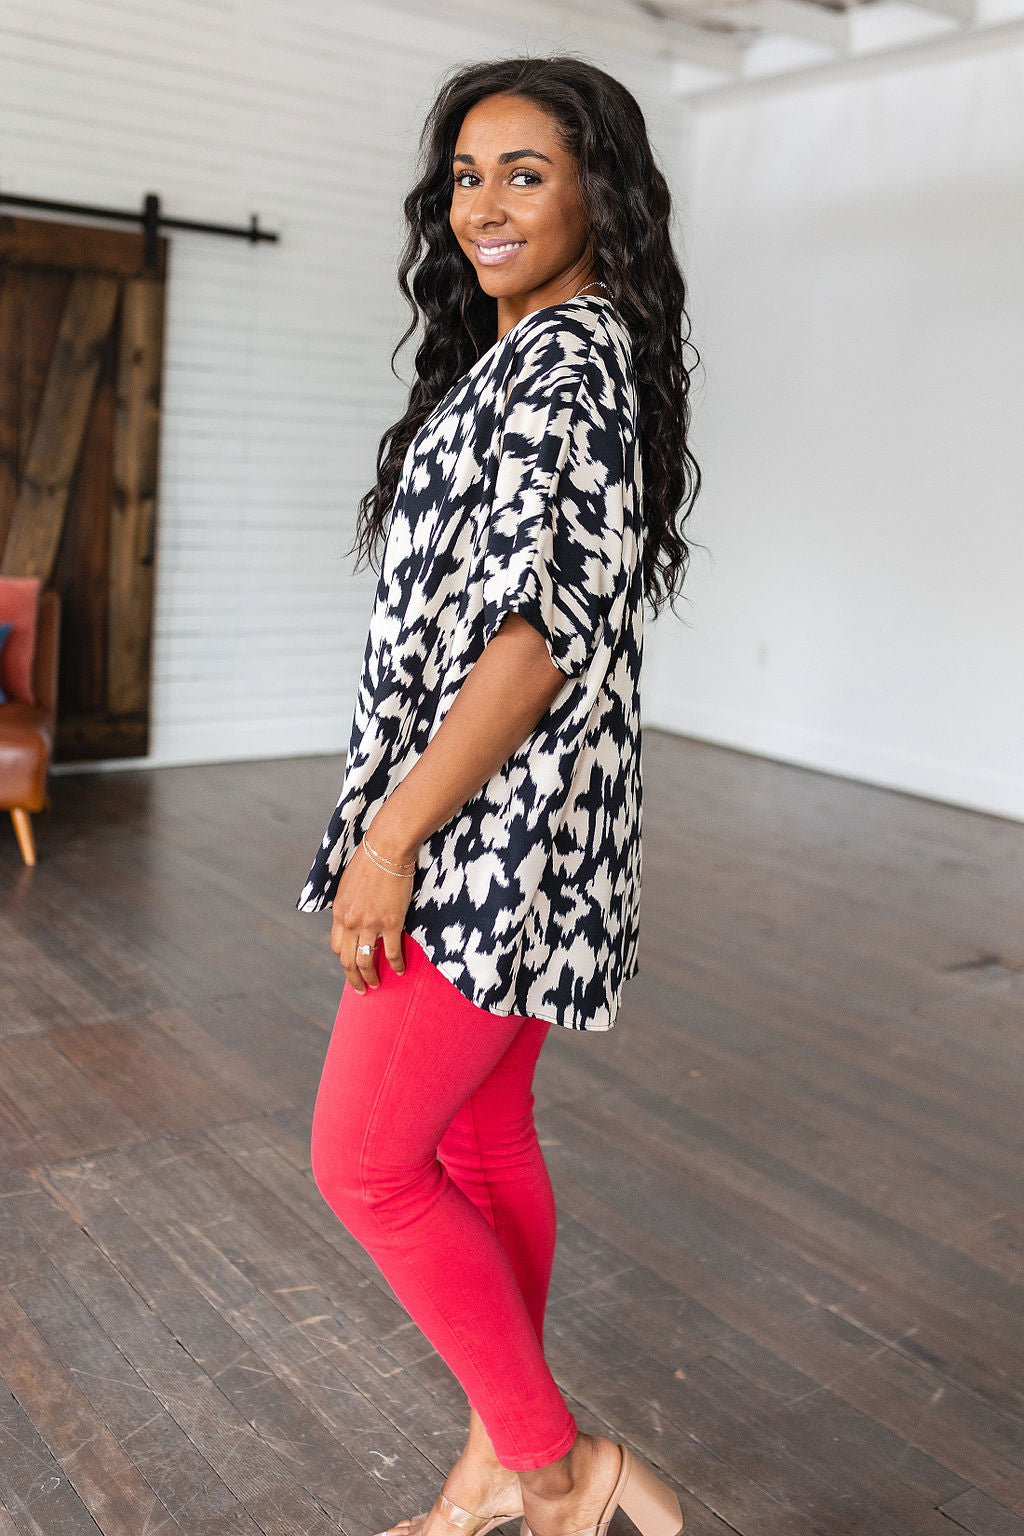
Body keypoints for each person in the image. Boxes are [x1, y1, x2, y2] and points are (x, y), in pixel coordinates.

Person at [296, 53, 701, 1536]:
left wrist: (394, 838)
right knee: (475, 1139)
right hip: (534, 825)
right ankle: (494, 1469)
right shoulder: (530, 357)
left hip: (493, 830)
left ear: (601, 190)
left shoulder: (566, 362)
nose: (484, 204)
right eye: (467, 175)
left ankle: (556, 1466)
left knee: (364, 1158)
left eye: (524, 171)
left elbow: (533, 641)